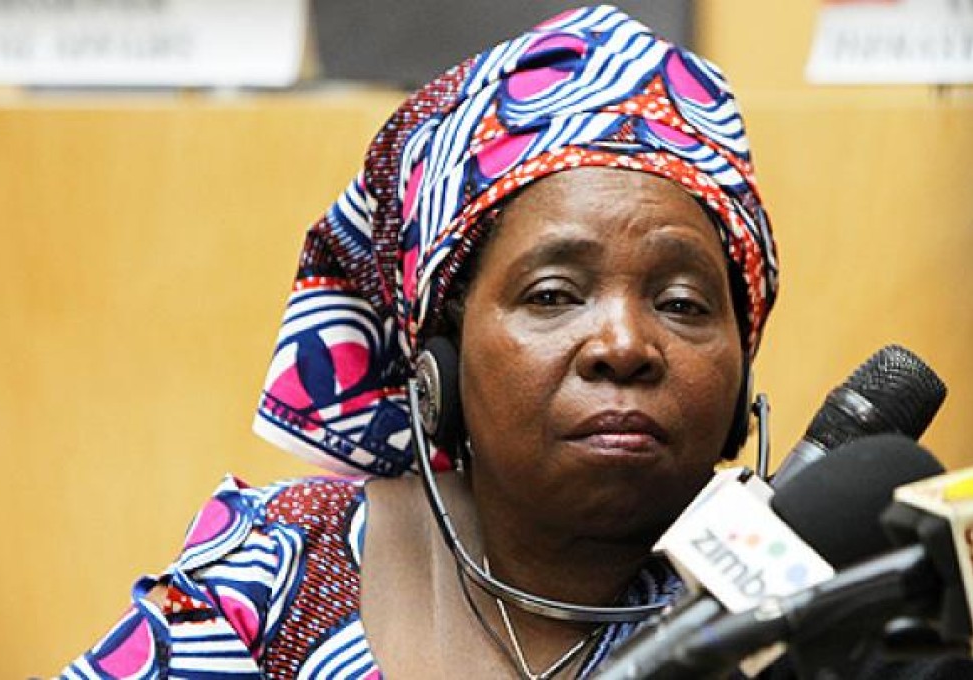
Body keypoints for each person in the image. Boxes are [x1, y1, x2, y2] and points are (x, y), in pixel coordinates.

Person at [60, 6, 967, 679]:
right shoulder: (276, 574)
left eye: (683, 302)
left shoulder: (822, 609)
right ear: (438, 366)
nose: (624, 343)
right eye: (553, 295)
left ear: (740, 381)